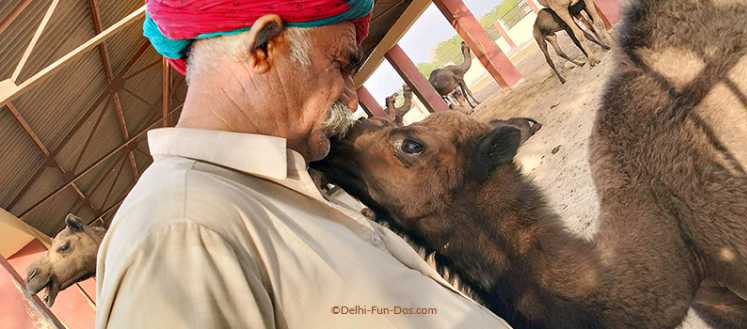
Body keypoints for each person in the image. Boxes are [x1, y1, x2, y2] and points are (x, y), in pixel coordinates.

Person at [94, 1, 511, 328]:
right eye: (343, 64)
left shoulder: (265, 193)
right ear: (263, 47)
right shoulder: (182, 230)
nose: (351, 97)